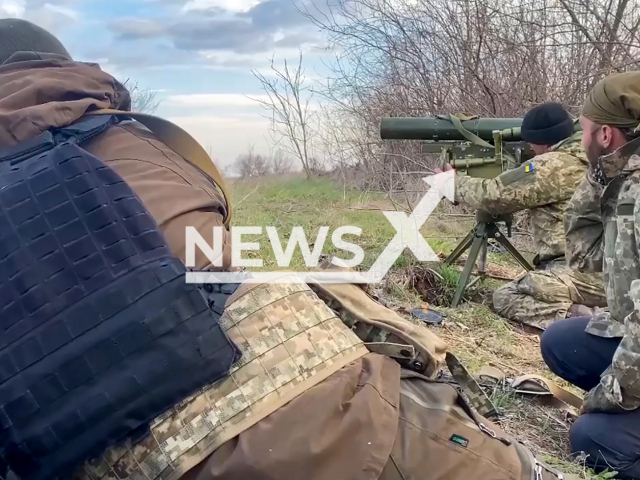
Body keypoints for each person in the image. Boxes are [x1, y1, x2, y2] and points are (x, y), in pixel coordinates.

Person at [540, 71, 640, 479]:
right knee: (561, 342)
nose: (580, 142)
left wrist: (608, 397)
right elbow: (586, 254)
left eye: (585, 131)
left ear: (605, 136)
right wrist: (600, 175)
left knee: (593, 437)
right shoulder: (624, 181)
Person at [436, 102, 606, 330]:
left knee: (508, 296)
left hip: (582, 274)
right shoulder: (595, 155)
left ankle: (586, 320)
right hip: (606, 271)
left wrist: (453, 184)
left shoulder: (554, 164)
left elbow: (496, 196)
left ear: (542, 141)